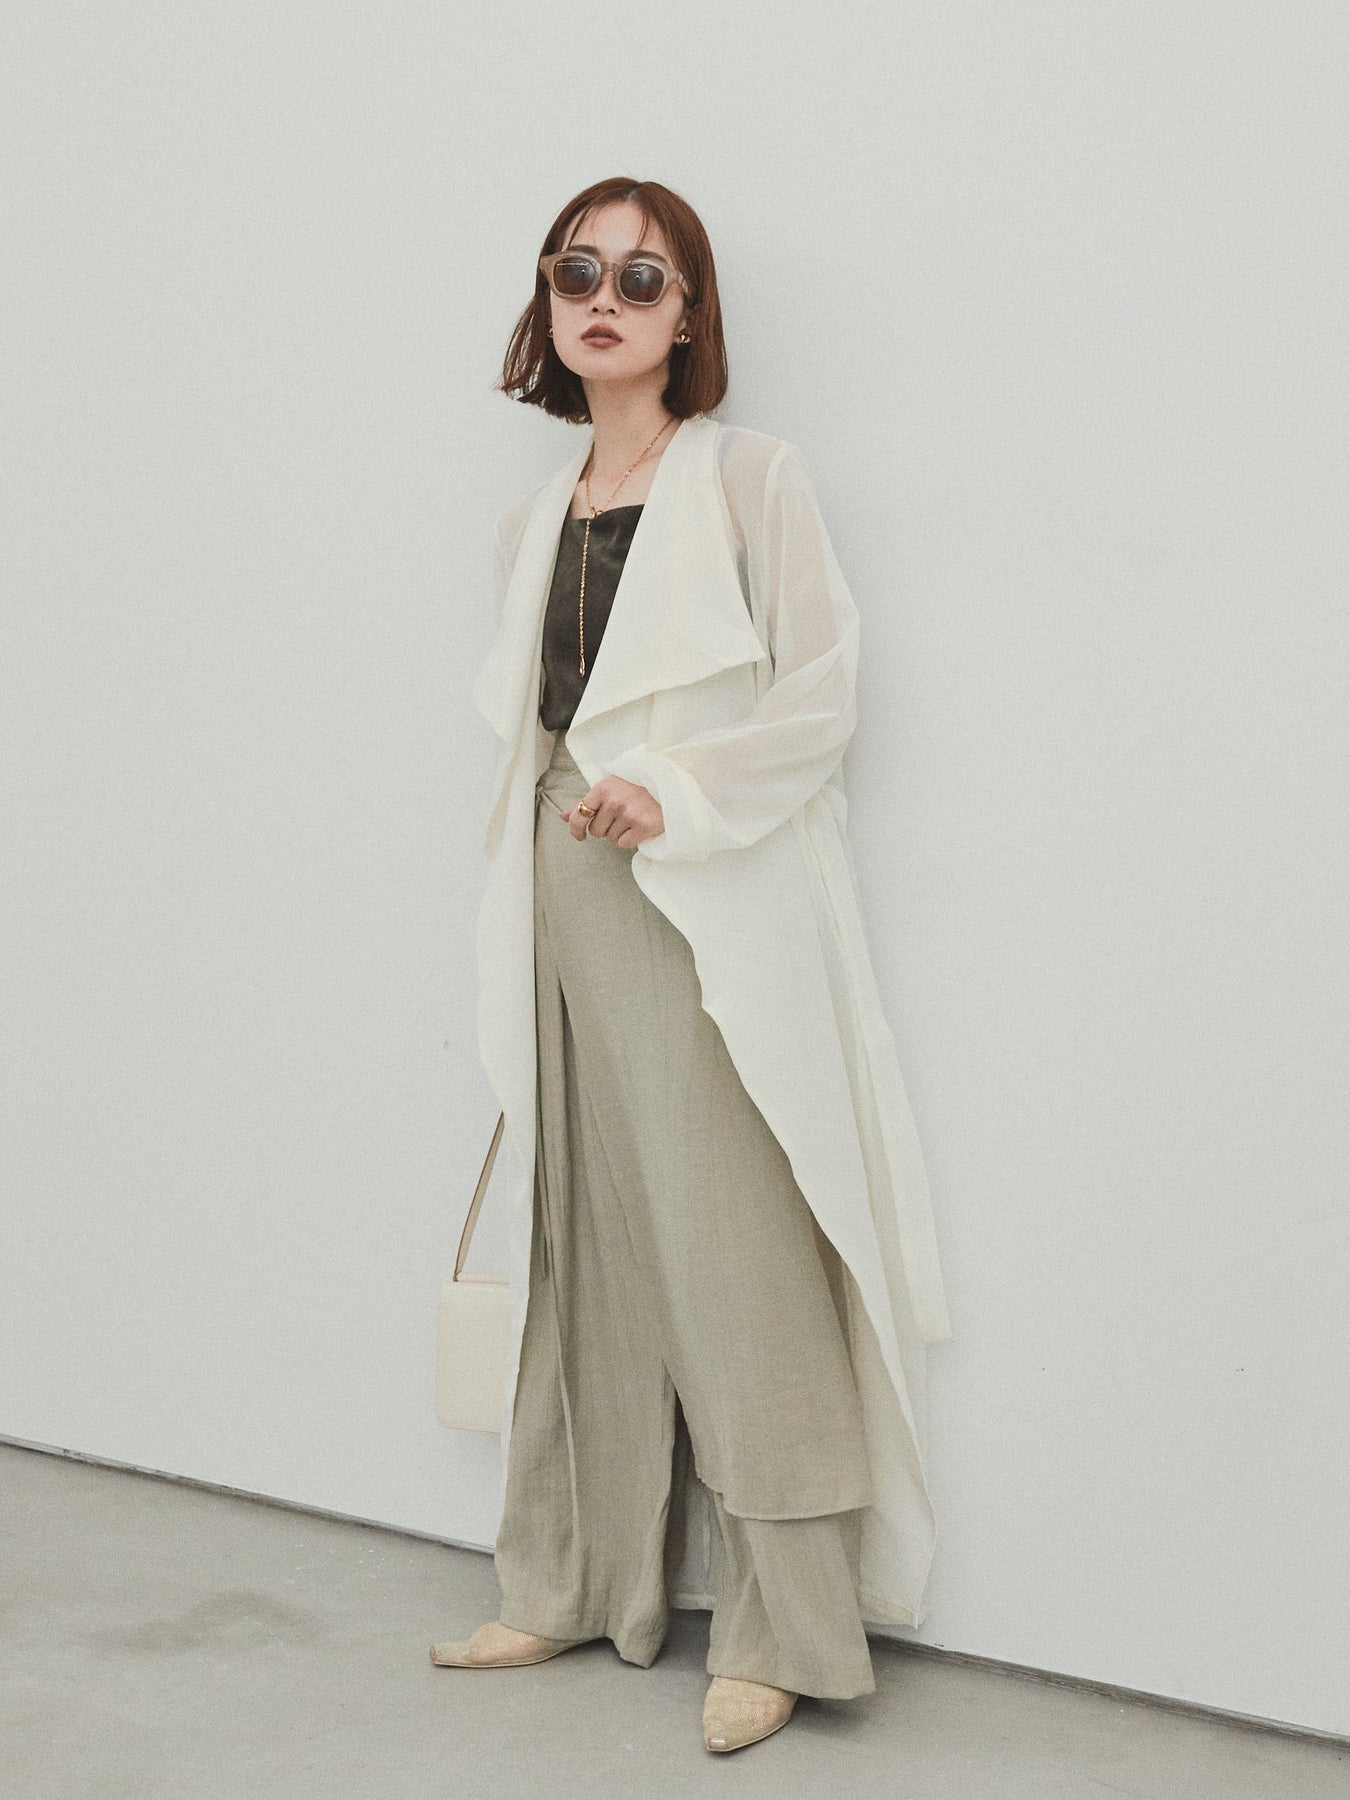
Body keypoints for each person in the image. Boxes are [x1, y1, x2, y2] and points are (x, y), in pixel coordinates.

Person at [431, 177, 953, 1757]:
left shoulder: (749, 479)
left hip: (696, 895)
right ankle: (571, 1579)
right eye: (575, 270)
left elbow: (821, 693)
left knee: (732, 1245)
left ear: (686, 315)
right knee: (580, 1238)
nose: (604, 298)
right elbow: (538, 733)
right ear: (547, 302)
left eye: (641, 278)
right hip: (558, 883)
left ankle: (787, 1627)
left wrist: (678, 787)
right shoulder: (533, 521)